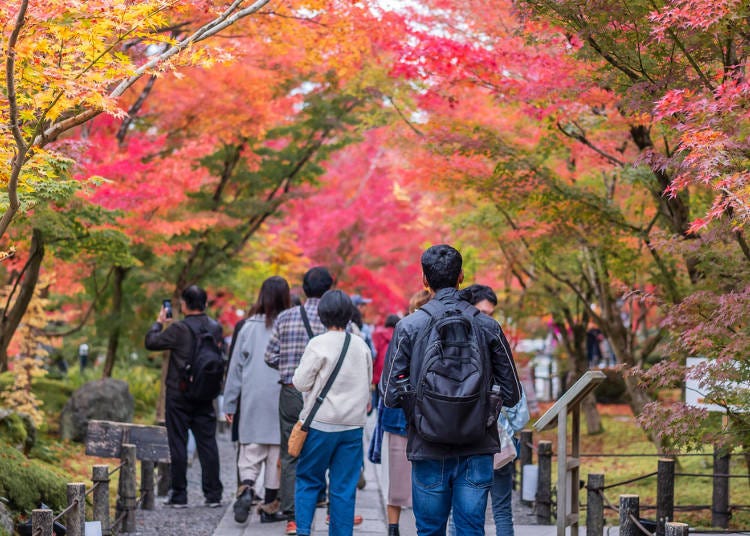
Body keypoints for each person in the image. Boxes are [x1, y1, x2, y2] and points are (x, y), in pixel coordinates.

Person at [381, 245, 522, 536]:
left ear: (424, 280)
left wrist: (420, 408)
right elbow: (512, 393)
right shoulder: (488, 326)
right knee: (471, 529)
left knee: (430, 530)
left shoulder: (409, 326)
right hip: (477, 444)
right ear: (461, 277)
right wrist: (482, 405)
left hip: (427, 444)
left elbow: (390, 393)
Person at [451, 284, 530, 536]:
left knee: (473, 510)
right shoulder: (495, 343)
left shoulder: (460, 348)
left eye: (490, 313)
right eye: (481, 312)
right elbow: (519, 405)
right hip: (491, 440)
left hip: (491, 440)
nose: (486, 319)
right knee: (475, 510)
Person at [292, 290, 372, 536]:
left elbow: (301, 383)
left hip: (320, 424)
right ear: (349, 314)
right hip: (352, 427)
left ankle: (304, 531)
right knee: (344, 488)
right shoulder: (360, 345)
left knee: (308, 480)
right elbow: (367, 383)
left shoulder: (318, 343)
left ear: (322, 314)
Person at [265, 267, 333, 535]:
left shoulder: (285, 317)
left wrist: (289, 368)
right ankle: (320, 498)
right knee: (322, 447)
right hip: (323, 394)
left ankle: (292, 517)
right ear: (329, 290)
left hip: (292, 390)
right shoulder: (334, 319)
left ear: (303, 289)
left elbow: (269, 356)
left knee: (291, 451)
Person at [144, 285, 224, 509]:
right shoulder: (215, 327)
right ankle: (213, 494)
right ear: (205, 304)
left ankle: (179, 495)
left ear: (184, 305)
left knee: (178, 443)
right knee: (207, 443)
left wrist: (159, 322)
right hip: (206, 394)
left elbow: (151, 342)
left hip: (179, 395)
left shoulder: (178, 329)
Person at [224, 276, 291, 523]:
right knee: (276, 454)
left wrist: (229, 403)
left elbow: (235, 369)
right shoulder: (289, 326)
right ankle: (270, 506)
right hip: (280, 398)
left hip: (251, 399)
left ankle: (248, 488)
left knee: (250, 452)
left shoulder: (247, 327)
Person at [371, 314, 400, 412]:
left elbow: (374, 354)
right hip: (392, 373)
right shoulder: (400, 333)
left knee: (378, 401)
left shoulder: (378, 334)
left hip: (379, 373)